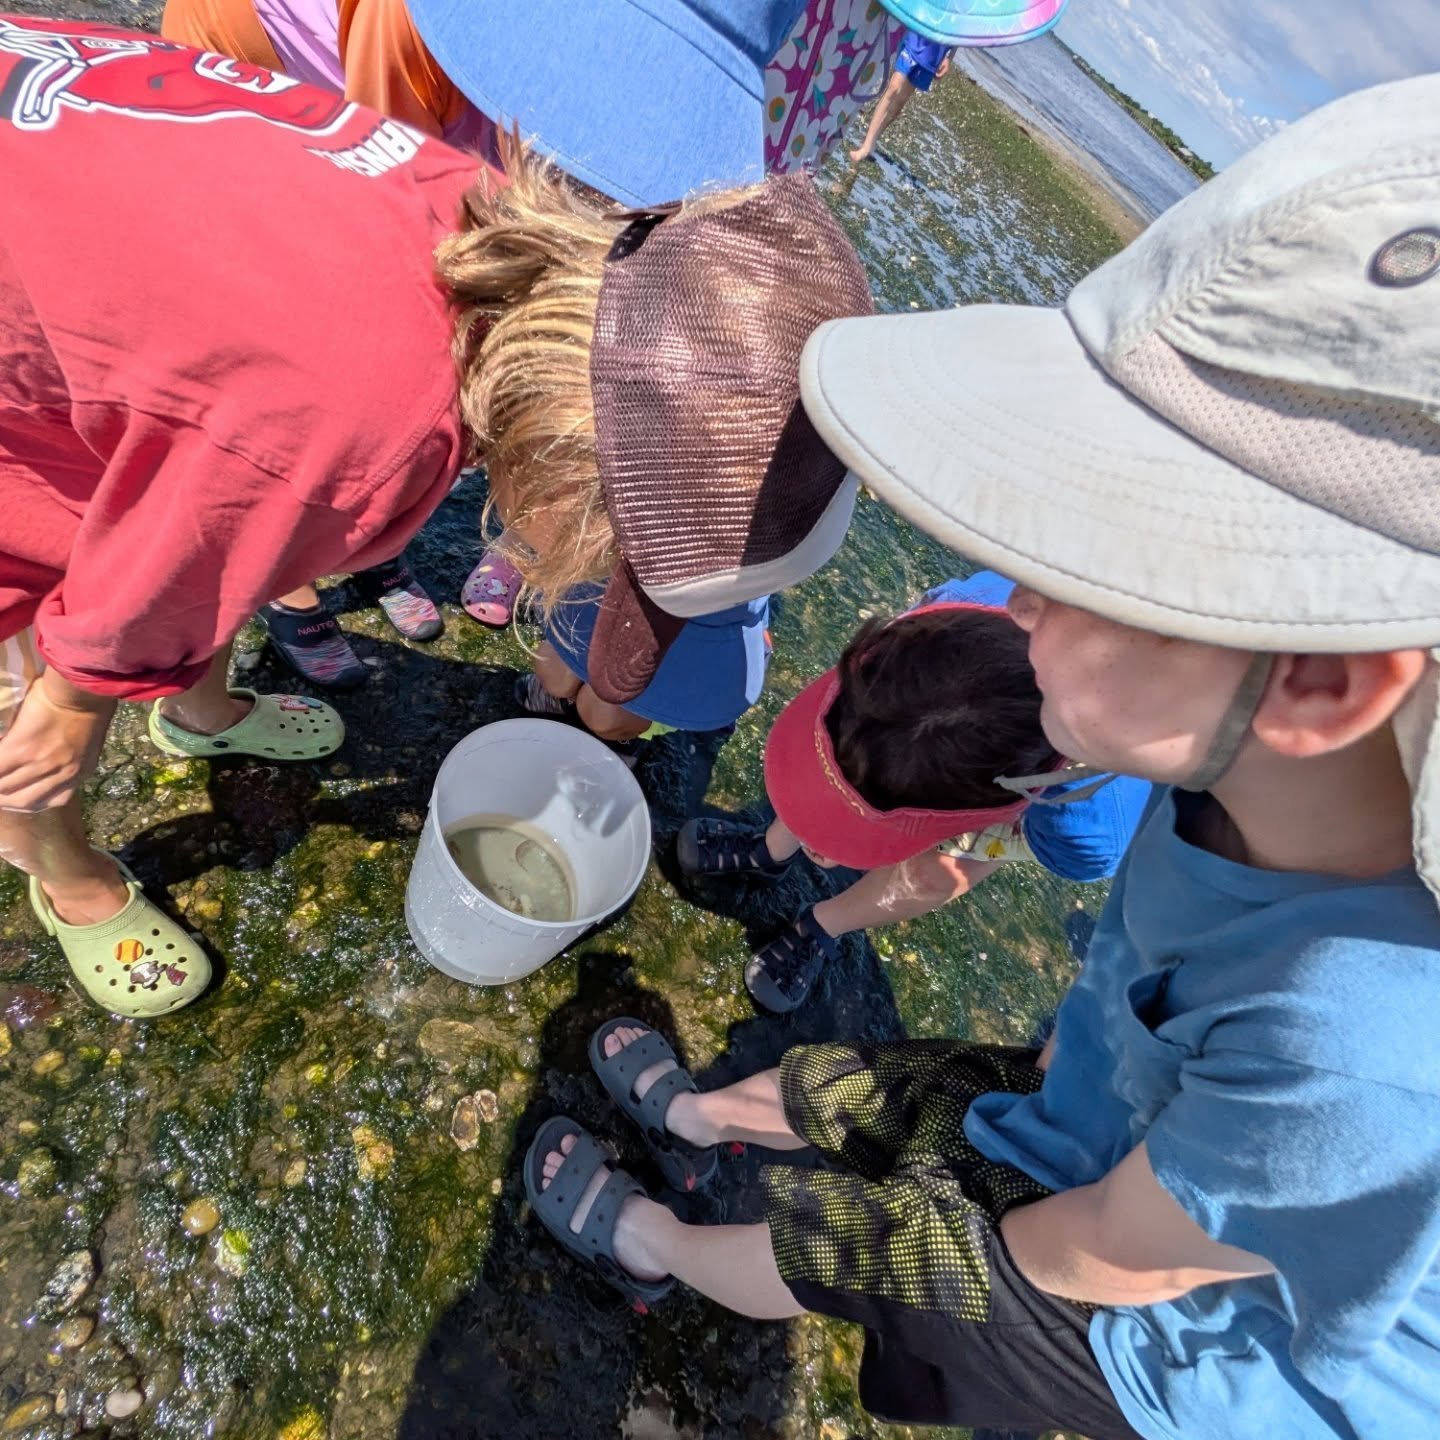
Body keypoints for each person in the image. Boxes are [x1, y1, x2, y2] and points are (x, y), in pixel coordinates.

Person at [525, 72, 1440, 1439]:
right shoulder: (1250, 771)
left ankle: (654, 1245)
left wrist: (921, 1236)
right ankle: (712, 1122)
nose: (1016, 602)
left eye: (1096, 565)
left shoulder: (1365, 1038)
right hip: (1119, 1111)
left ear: (1317, 678)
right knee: (883, 1088)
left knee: (867, 1250)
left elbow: (1117, 1255)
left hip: (1184, 1336)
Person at [0, 16, 871, 1019]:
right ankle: (57, 863)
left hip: (58, 126)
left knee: (222, 536)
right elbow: (135, 585)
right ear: (562, 471)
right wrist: (70, 708)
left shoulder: (474, 208)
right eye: (608, 558)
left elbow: (221, 515)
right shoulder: (357, 444)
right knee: (54, 691)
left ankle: (200, 715)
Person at [676, 570, 1150, 1011]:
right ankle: (771, 850)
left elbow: (979, 846)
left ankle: (820, 926)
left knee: (934, 873)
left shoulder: (1089, 825)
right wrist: (825, 819)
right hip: (985, 673)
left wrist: (864, 837)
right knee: (859, 755)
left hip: (1044, 791)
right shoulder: (969, 606)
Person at [849, 27, 952, 164]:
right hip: (917, 34)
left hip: (936, 51)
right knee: (894, 88)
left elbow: (963, 23)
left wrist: (950, 57)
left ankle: (872, 141)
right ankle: (866, 146)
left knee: (900, 102)